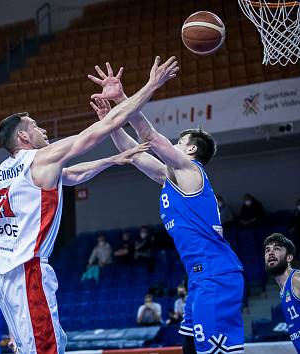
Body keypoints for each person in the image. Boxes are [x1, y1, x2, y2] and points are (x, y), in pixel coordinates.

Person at [0, 56, 179, 354]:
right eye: (35, 126)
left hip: (4, 275)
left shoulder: (4, 172)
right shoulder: (40, 158)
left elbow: (71, 174)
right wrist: (151, 85)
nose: (43, 130)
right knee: (47, 349)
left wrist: (113, 159)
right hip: (27, 271)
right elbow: (106, 126)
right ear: (23, 136)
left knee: (38, 347)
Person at [88, 62, 244, 354]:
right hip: (199, 276)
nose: (173, 144)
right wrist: (110, 120)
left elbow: (149, 138)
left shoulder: (190, 170)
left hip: (216, 274)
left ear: (191, 150)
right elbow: (134, 154)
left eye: (179, 142)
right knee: (188, 347)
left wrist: (123, 99)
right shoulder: (170, 176)